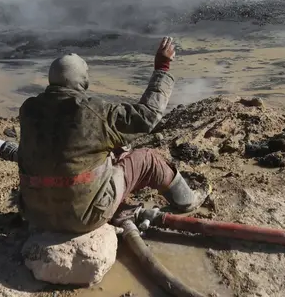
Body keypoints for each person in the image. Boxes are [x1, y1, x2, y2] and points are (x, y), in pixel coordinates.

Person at [17, 37, 209, 234]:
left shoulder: (28, 110)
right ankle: (188, 200)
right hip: (84, 217)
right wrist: (162, 67)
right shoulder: (94, 111)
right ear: (82, 80)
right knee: (147, 159)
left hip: (35, 214)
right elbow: (147, 117)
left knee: (112, 153)